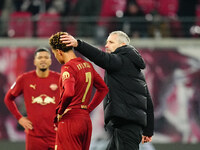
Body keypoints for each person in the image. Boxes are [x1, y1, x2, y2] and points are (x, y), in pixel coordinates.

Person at [60, 30, 154, 150]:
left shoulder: (121, 60)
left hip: (126, 125)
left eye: (111, 42)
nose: (106, 45)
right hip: (123, 126)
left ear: (122, 45)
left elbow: (101, 58)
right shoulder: (136, 70)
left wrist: (78, 44)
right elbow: (148, 102)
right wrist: (148, 130)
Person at [49, 32, 108, 150]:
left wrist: (60, 111)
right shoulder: (87, 65)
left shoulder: (68, 68)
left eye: (55, 54)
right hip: (85, 120)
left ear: (59, 52)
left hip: (70, 119)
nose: (56, 57)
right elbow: (103, 89)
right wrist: (88, 109)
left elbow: (69, 92)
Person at [4, 47, 60, 150]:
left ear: (50, 61)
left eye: (46, 57)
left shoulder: (59, 79)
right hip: (34, 137)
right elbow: (8, 98)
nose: (43, 60)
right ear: (34, 61)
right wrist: (19, 118)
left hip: (56, 135)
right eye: (40, 57)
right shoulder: (24, 79)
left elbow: (71, 99)